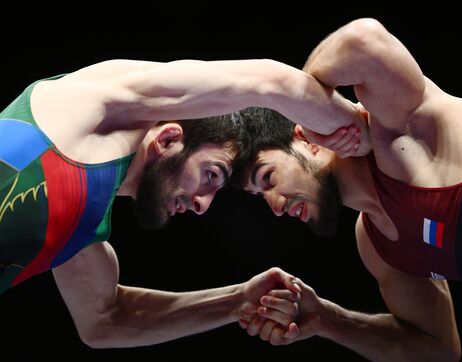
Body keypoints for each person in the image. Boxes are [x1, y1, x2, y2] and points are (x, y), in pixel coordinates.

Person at [234, 18, 462, 361]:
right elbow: (438, 351)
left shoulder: (397, 136)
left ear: (304, 140)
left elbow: (363, 40)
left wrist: (317, 113)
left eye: (267, 178)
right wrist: (326, 319)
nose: (274, 206)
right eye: (258, 195)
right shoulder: (379, 247)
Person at [0, 58, 368, 347]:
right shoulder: (92, 102)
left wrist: (237, 300)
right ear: (169, 139)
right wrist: (362, 135)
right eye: (212, 174)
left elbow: (105, 322)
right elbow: (272, 82)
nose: (202, 206)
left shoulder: (81, 229)